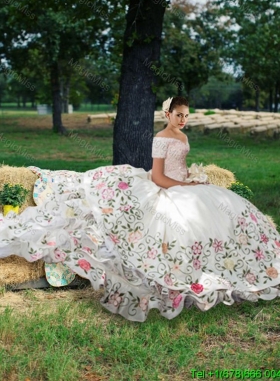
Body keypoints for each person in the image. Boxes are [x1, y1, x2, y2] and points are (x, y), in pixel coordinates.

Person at [0, 96, 279, 322]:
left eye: (186, 115)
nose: (183, 119)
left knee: (224, 209)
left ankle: (229, 275)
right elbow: (158, 178)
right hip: (162, 187)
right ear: (167, 114)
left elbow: (178, 169)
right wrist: (185, 187)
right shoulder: (161, 138)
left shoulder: (181, 138)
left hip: (179, 185)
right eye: (178, 114)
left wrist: (194, 180)